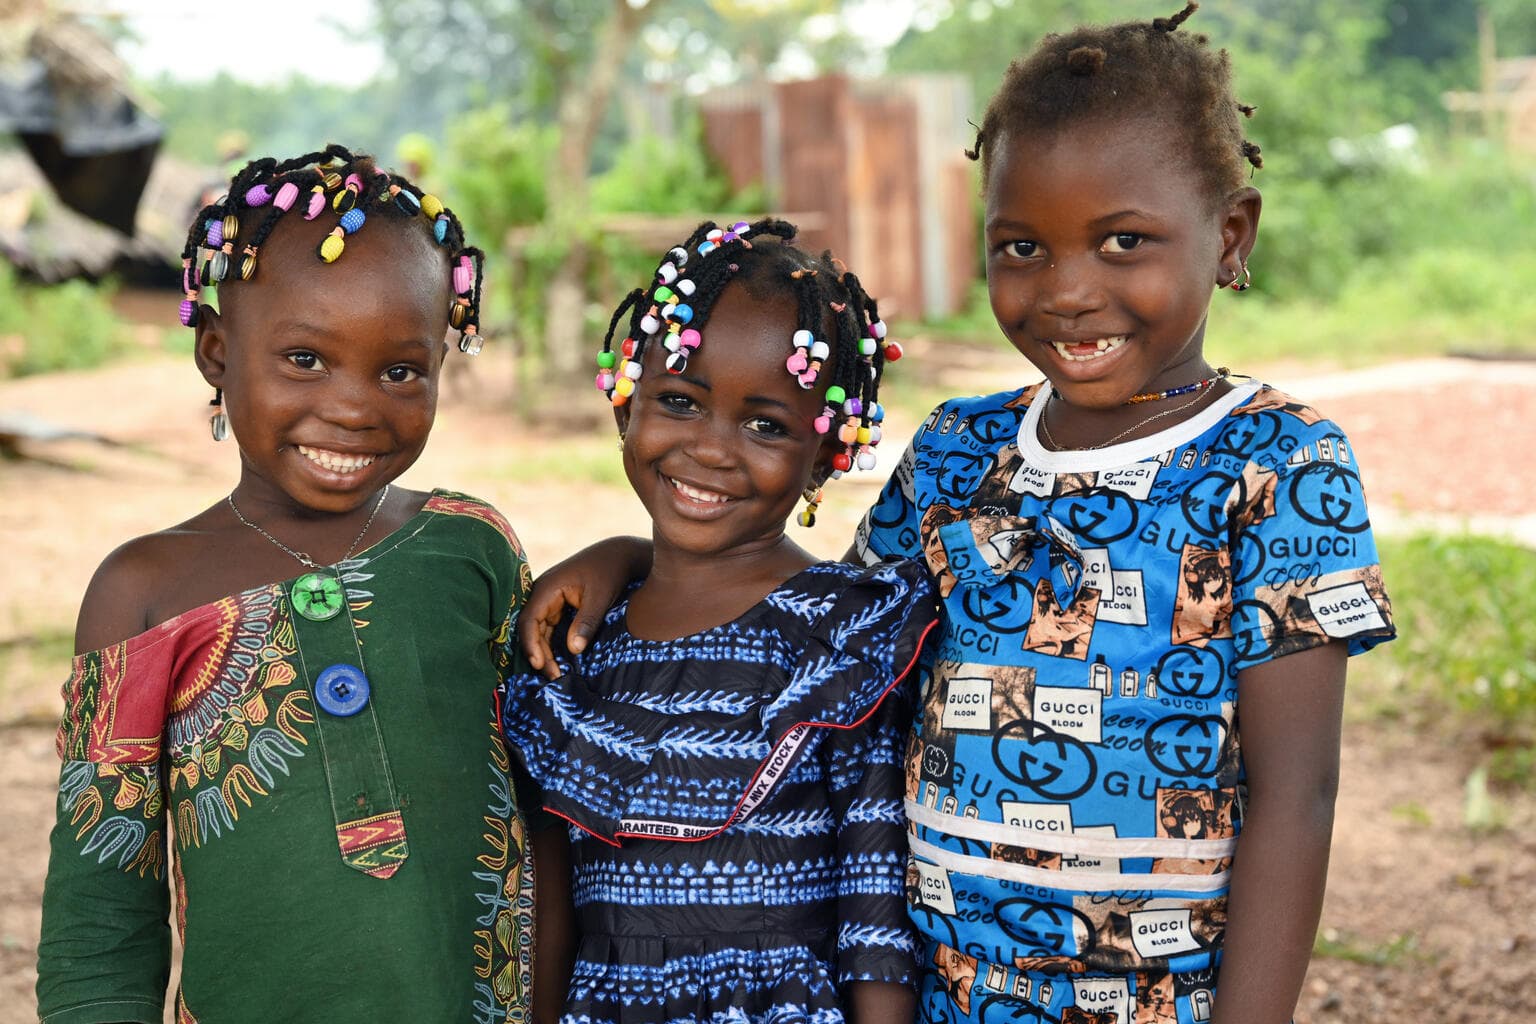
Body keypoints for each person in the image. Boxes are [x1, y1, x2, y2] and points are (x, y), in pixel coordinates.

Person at [518, 6, 1399, 1022]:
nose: (1068, 291)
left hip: (1165, 1000)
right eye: (1022, 246)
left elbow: (1300, 800)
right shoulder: (956, 451)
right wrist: (635, 551)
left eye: (1123, 241)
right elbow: (812, 611)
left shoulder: (1279, 464)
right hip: (948, 994)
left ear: (1230, 234)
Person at [37, 144, 549, 1023]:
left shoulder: (471, 549)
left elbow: (552, 806)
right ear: (215, 353)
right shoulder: (142, 591)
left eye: (401, 371)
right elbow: (100, 915)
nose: (355, 407)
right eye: (305, 360)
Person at [499, 219, 938, 1024]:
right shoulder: (579, 645)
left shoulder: (840, 640)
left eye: (766, 425)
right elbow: (550, 906)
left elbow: (874, 911)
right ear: (625, 403)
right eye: (679, 402)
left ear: (827, 454)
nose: (711, 449)